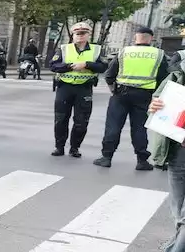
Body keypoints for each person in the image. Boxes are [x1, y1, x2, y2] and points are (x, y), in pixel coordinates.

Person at [141, 59, 185, 252]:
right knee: (179, 217)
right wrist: (156, 105)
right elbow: (158, 101)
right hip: (178, 151)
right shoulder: (179, 73)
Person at [97, 27, 166, 171]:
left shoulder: (124, 52)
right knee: (139, 128)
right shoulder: (159, 54)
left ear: (136, 38)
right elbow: (163, 79)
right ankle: (142, 161)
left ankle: (106, 158)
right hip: (145, 96)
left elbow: (109, 75)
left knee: (113, 126)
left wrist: (114, 90)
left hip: (121, 94)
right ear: (150, 39)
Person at [48, 21, 108, 158]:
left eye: (83, 33)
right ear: (73, 35)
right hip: (65, 87)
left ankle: (75, 147)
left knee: (81, 121)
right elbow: (53, 65)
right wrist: (69, 66)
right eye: (77, 34)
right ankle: (59, 147)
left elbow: (103, 67)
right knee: (61, 119)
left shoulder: (96, 50)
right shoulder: (64, 49)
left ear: (88, 35)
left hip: (84, 88)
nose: (80, 36)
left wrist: (86, 64)